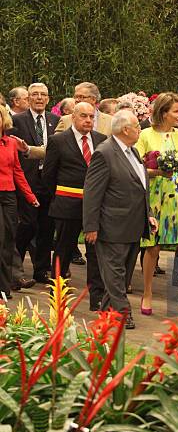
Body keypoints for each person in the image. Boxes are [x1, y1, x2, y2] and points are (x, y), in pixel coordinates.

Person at [83, 110, 158, 329]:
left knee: (122, 275)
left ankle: (107, 311)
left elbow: (140, 188)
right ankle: (123, 314)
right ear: (125, 129)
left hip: (133, 226)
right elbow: (92, 193)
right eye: (137, 126)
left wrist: (149, 215)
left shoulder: (133, 151)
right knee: (115, 274)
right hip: (111, 226)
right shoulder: (104, 153)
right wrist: (90, 226)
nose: (140, 130)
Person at [136, 93, 178, 320]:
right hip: (154, 195)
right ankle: (147, 294)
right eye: (175, 111)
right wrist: (157, 172)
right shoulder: (145, 134)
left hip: (177, 194)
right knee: (152, 247)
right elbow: (136, 167)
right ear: (163, 112)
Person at [42, 103, 107, 308]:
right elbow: (48, 176)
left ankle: (96, 299)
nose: (88, 120)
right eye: (84, 116)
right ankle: (57, 294)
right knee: (64, 249)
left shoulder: (101, 140)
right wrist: (58, 200)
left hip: (95, 209)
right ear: (73, 118)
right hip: (67, 205)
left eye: (91, 117)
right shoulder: (58, 141)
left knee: (95, 254)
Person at [12, 83, 60, 284]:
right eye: (35, 95)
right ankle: (15, 269)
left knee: (47, 226)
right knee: (28, 225)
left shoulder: (55, 120)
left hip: (49, 181)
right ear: (29, 99)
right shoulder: (17, 121)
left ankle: (41, 271)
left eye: (43, 95)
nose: (39, 98)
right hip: (26, 180)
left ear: (48, 99)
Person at [0, 105, 39, 298]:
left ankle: (4, 288)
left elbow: (17, 171)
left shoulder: (11, 143)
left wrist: (30, 197)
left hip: (8, 195)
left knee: (8, 241)